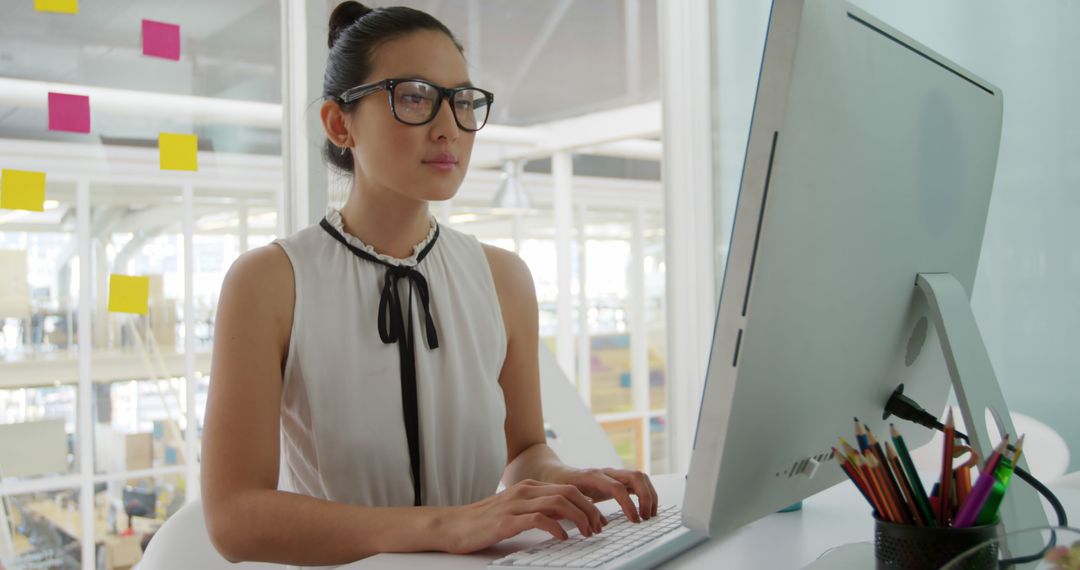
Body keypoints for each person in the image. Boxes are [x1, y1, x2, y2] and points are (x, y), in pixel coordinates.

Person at [201, 2, 658, 567]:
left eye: (463, 101)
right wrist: (448, 524)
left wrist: (560, 480)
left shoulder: (503, 277)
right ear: (339, 123)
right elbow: (235, 518)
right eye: (415, 96)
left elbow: (526, 451)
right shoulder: (270, 282)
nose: (449, 127)